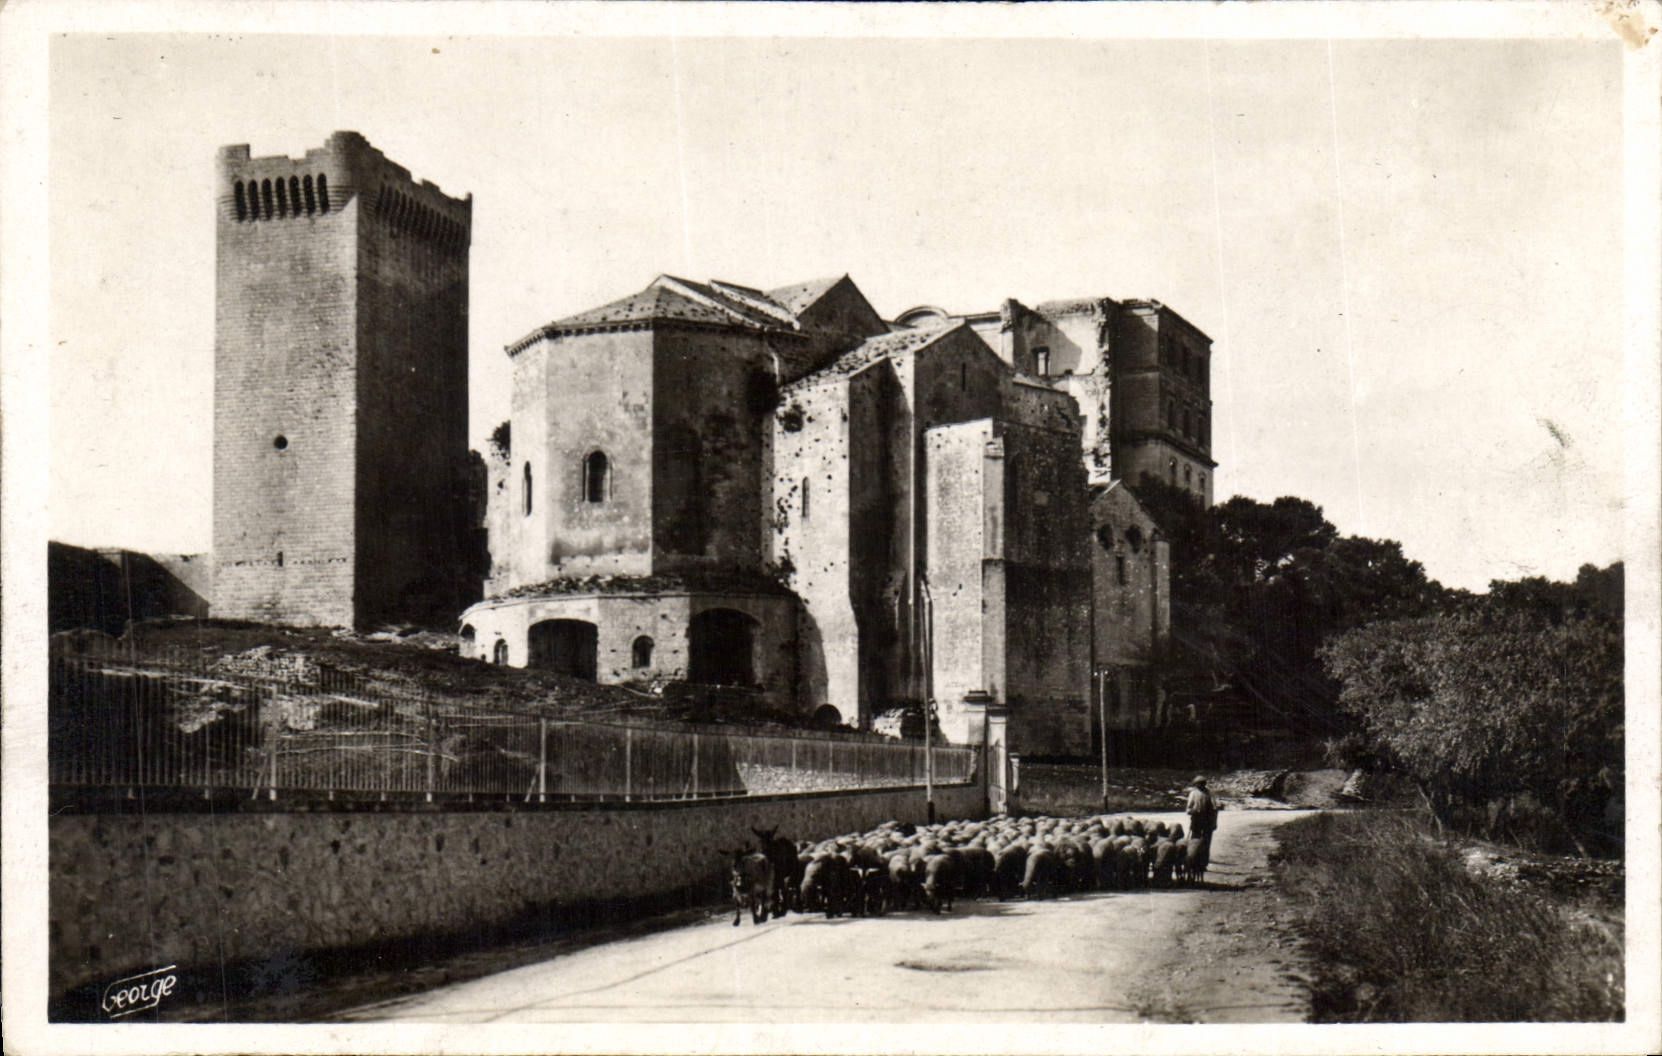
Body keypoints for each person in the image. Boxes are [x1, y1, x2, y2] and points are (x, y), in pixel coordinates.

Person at [1185, 775, 1219, 842]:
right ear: (1195, 784)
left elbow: (1215, 808)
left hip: (1208, 820)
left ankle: (1205, 852)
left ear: (1205, 784)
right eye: (1198, 783)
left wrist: (1214, 822)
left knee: (1207, 839)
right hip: (1197, 819)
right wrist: (1192, 811)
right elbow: (1188, 808)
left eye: (1202, 783)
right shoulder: (1193, 793)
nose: (1200, 785)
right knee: (1195, 839)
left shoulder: (1210, 793)